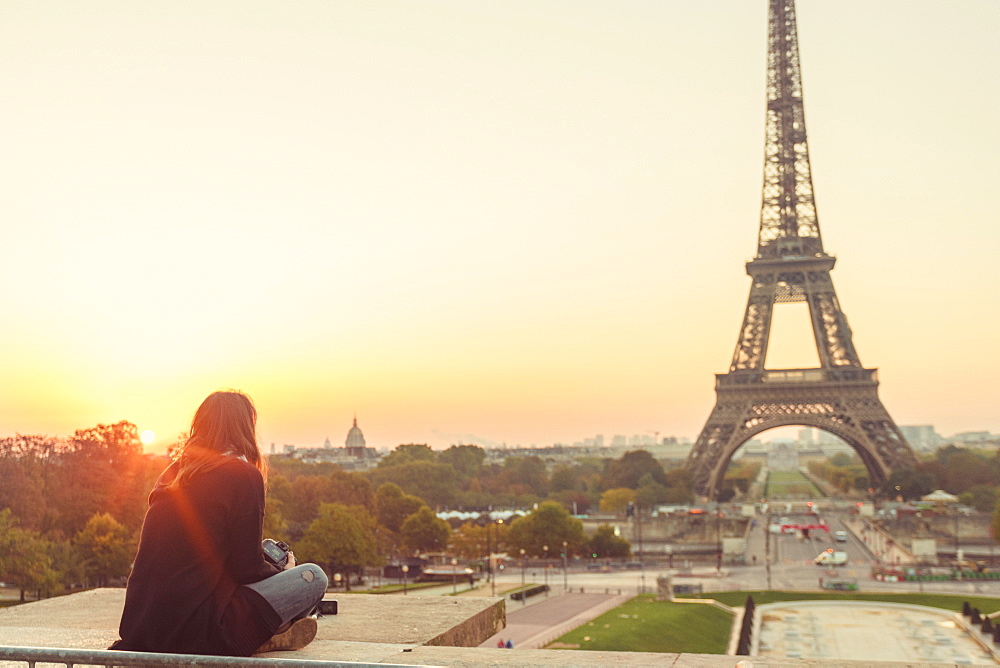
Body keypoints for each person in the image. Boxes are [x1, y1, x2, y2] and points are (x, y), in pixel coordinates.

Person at [109, 391, 328, 656]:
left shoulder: (174, 472)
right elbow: (246, 569)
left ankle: (278, 627)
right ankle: (267, 634)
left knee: (269, 556)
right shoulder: (243, 475)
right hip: (198, 630)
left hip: (142, 627)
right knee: (312, 577)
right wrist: (284, 573)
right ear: (245, 428)